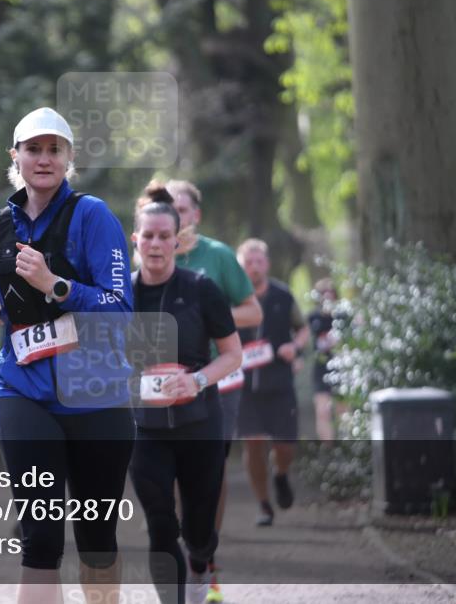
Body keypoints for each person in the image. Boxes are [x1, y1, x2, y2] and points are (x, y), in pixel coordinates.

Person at [0, 107, 134, 604]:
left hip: (96, 396)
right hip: (23, 391)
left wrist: (55, 285)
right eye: (33, 149)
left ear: (69, 158)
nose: (43, 159)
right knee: (39, 538)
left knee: (96, 540)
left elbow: (121, 309)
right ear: (15, 157)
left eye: (54, 149)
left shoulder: (93, 215)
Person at [128, 188, 242, 604]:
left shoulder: (201, 288)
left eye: (164, 236)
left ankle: (200, 565)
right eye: (148, 236)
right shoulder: (120, 295)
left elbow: (233, 355)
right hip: (144, 429)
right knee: (160, 523)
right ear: (135, 239)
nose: (156, 244)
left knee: (198, 527)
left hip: (199, 425)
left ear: (177, 241)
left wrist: (195, 381)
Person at [149, 179, 261, 602]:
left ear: (195, 214)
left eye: (182, 209)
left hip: (217, 375)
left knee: (207, 470)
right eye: (166, 208)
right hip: (160, 380)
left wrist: (206, 315)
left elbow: (253, 310)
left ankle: (205, 559)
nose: (174, 217)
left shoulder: (215, 256)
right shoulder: (146, 254)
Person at [235, 238, 310, 527]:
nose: (254, 267)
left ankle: (281, 475)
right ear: (240, 267)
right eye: (248, 262)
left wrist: (295, 348)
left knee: (285, 446)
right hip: (244, 385)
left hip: (279, 381)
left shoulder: (282, 295)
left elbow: (302, 329)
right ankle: (264, 505)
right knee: (252, 445)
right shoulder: (231, 297)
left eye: (259, 261)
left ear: (267, 263)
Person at [307, 278, 346, 442]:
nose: (327, 299)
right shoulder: (312, 318)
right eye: (324, 295)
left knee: (343, 411)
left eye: (331, 295)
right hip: (321, 369)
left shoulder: (344, 317)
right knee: (322, 412)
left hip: (343, 369)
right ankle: (327, 448)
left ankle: (348, 447)